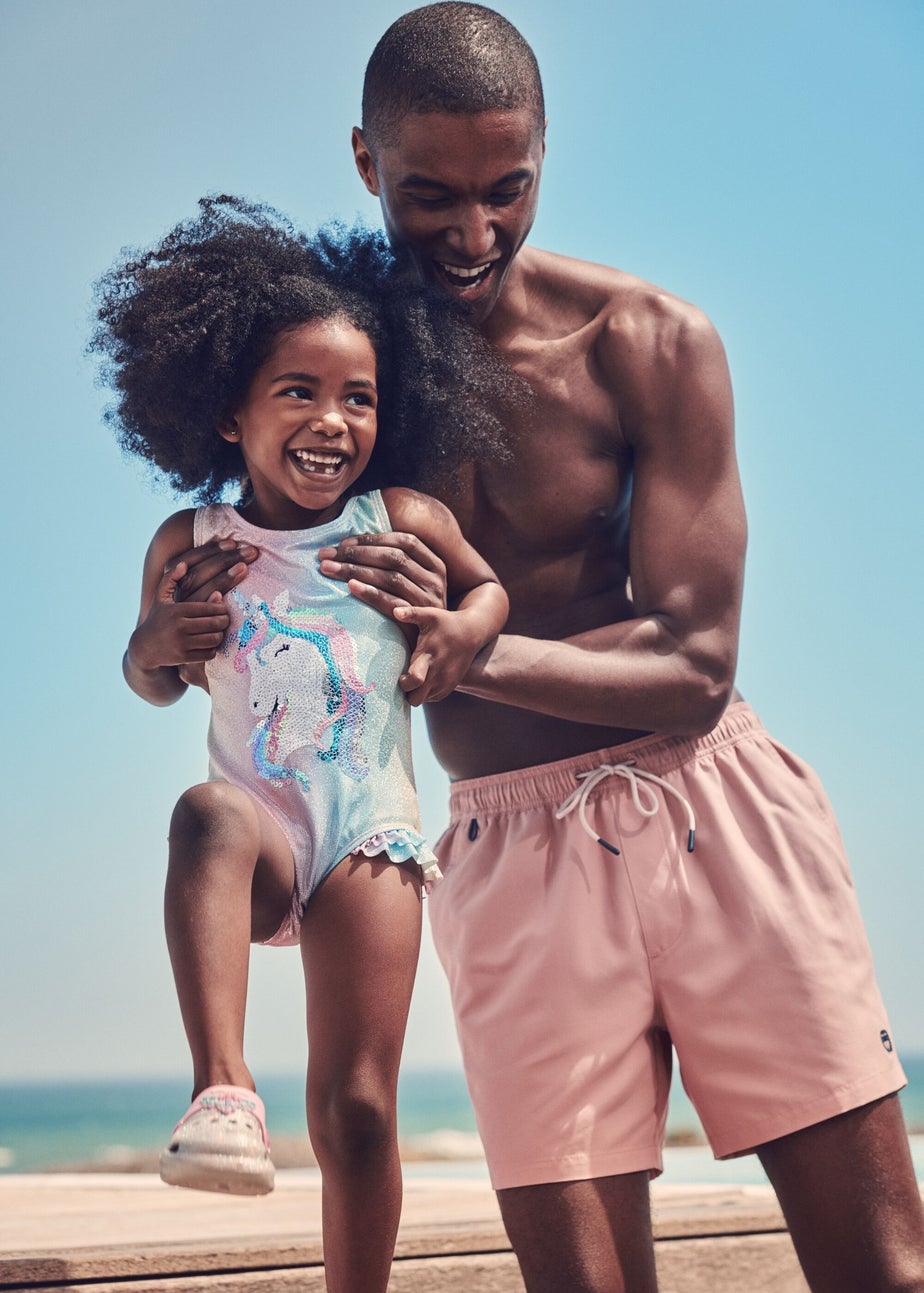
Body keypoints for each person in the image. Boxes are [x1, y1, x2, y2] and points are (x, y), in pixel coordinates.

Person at [306, 5, 924, 1291]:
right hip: (508, 849)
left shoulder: (650, 342)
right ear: (366, 161)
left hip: (713, 816)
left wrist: (468, 650)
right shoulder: (339, 379)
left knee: (883, 1268)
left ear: (544, 151)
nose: (473, 235)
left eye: (507, 190)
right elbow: (251, 570)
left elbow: (696, 671)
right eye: (430, 196)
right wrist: (160, 643)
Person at [91, 195, 510, 1293]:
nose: (333, 421)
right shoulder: (192, 540)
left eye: (359, 398)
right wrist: (153, 643)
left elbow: (490, 592)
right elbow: (153, 685)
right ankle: (222, 1090)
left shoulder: (400, 521)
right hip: (261, 839)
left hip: (367, 835)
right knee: (205, 814)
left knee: (360, 1110)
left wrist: (460, 632)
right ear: (230, 413)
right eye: (300, 393)